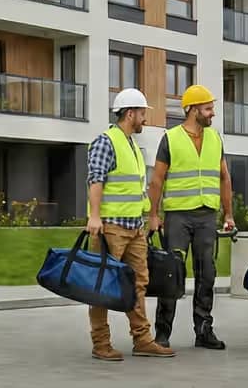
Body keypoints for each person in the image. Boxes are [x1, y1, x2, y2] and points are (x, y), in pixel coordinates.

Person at [85, 88, 176, 362]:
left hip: (134, 228)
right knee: (101, 285)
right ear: (130, 113)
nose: (145, 118)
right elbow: (96, 180)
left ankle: (143, 340)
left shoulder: (133, 144)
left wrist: (150, 216)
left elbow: (136, 188)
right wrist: (94, 216)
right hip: (110, 228)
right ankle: (101, 343)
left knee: (138, 283)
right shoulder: (106, 142)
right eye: (142, 113)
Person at [147, 84, 234, 350]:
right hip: (178, 216)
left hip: (207, 215)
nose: (212, 114)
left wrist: (228, 213)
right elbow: (157, 180)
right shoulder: (171, 139)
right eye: (208, 109)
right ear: (193, 110)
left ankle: (204, 330)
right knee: (170, 274)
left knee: (206, 273)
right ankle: (162, 333)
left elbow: (223, 177)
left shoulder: (215, 138)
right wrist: (153, 215)